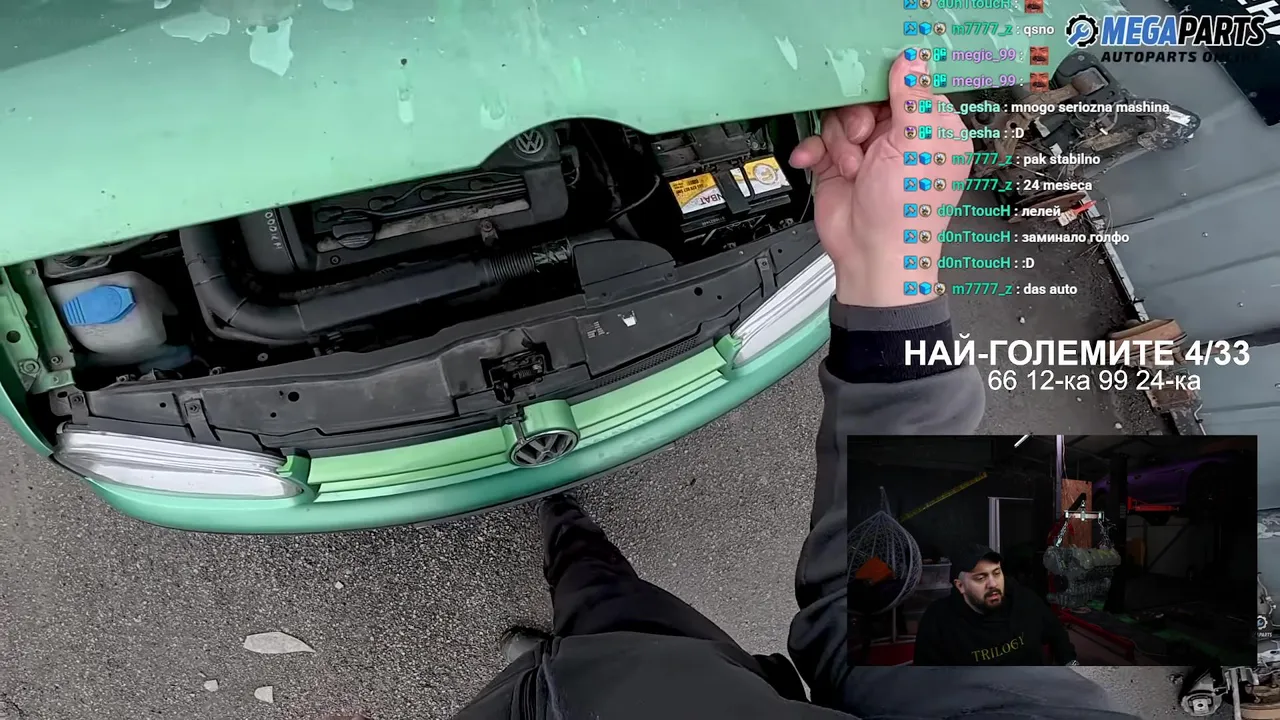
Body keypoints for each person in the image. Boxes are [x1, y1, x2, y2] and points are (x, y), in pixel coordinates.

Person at [454, 52, 1138, 720]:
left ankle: (569, 608)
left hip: (593, 698)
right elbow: (902, 618)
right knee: (603, 596)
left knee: (603, 617)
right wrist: (888, 272)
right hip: (668, 677)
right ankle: (572, 549)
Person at [913, 543, 1079, 666]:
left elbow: (1057, 634)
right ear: (960, 586)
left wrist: (1072, 666)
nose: (993, 584)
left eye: (997, 573)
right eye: (981, 578)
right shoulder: (939, 621)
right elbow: (929, 682)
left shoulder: (1024, 600)